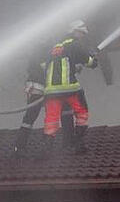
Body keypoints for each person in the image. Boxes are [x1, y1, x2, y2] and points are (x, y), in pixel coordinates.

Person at [41, 20, 99, 153]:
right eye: (81, 33)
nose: (83, 35)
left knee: (51, 119)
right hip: (69, 88)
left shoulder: (54, 47)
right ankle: (77, 144)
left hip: (51, 91)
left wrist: (72, 66)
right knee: (82, 113)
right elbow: (90, 63)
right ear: (75, 31)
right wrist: (93, 58)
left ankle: (46, 148)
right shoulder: (75, 45)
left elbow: (46, 65)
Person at [12, 57, 48, 155]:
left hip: (35, 87)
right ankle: (46, 145)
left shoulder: (39, 50)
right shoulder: (45, 51)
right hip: (39, 88)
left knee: (30, 118)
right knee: (46, 117)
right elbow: (48, 68)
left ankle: (20, 146)